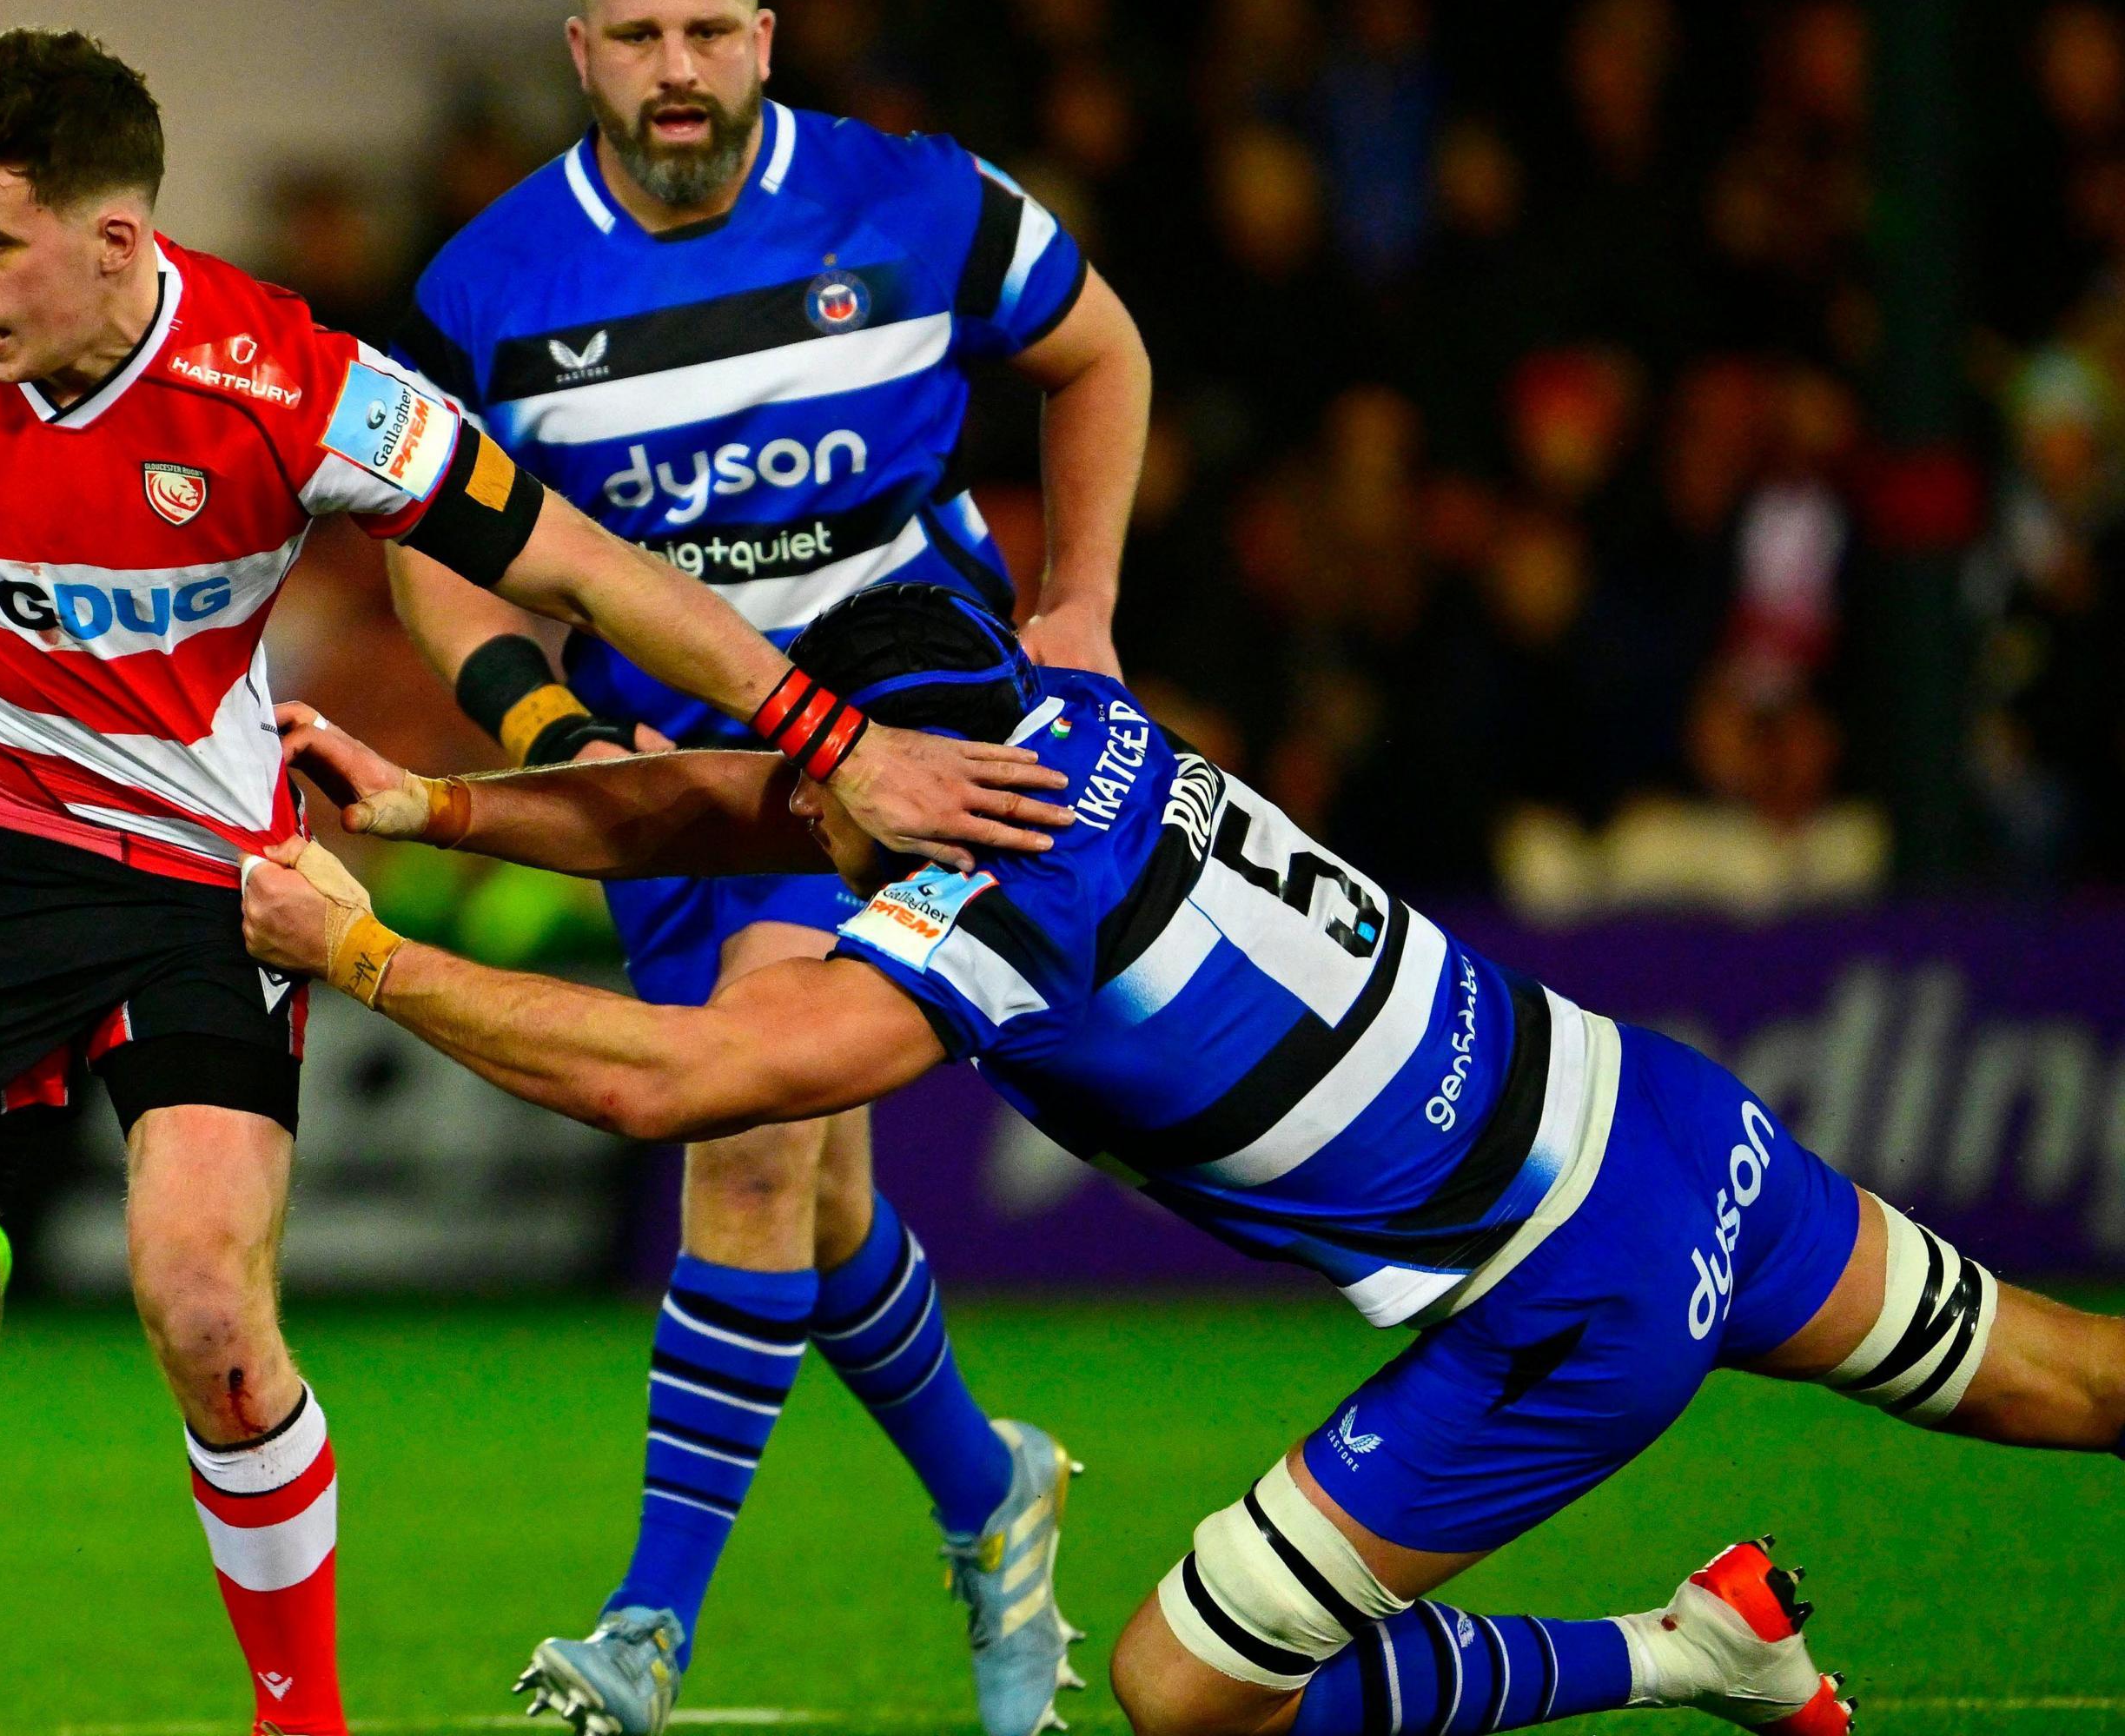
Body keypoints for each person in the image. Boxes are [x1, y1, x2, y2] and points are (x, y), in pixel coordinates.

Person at [0, 32, 1062, 1736]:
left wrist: (827, 735)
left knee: (206, 1303)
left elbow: (576, 560)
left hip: (207, 881)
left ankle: (300, 1720)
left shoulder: (291, 386)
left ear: (118, 240)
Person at [246, 581, 2125, 1736]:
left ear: (889, 774)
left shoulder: (989, 925)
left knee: (1187, 1694)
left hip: (1568, 1299)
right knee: (2071, 1373)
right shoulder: (1078, 717)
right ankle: (1714, 1650)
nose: (799, 794)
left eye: (828, 764)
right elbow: (735, 800)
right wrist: (435, 808)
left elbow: (671, 1083)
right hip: (1663, 1115)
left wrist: (366, 954)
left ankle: (1689, 1653)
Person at [381, 0, 1154, 1736]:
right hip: (677, 779)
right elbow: (434, 549)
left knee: (741, 1130)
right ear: (582, 55)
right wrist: (545, 718)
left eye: (709, 35)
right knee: (814, 1207)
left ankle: (648, 1631)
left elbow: (1099, 352)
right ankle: (990, 1492)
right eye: (640, 41)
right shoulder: (486, 286)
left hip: (901, 729)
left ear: (768, 38)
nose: (678, 73)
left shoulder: (913, 199)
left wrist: (1081, 612)